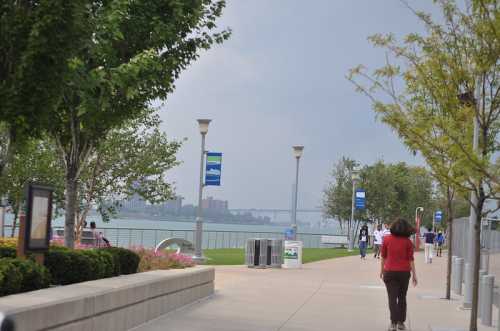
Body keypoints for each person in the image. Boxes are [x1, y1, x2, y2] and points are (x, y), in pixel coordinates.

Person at [380, 218, 417, 331]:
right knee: (402, 297)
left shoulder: (386, 239)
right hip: (404, 273)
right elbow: (411, 260)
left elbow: (383, 257)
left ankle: (393, 323)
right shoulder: (408, 242)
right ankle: (401, 322)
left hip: (390, 272)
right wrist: (414, 275)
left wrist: (381, 271)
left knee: (392, 298)